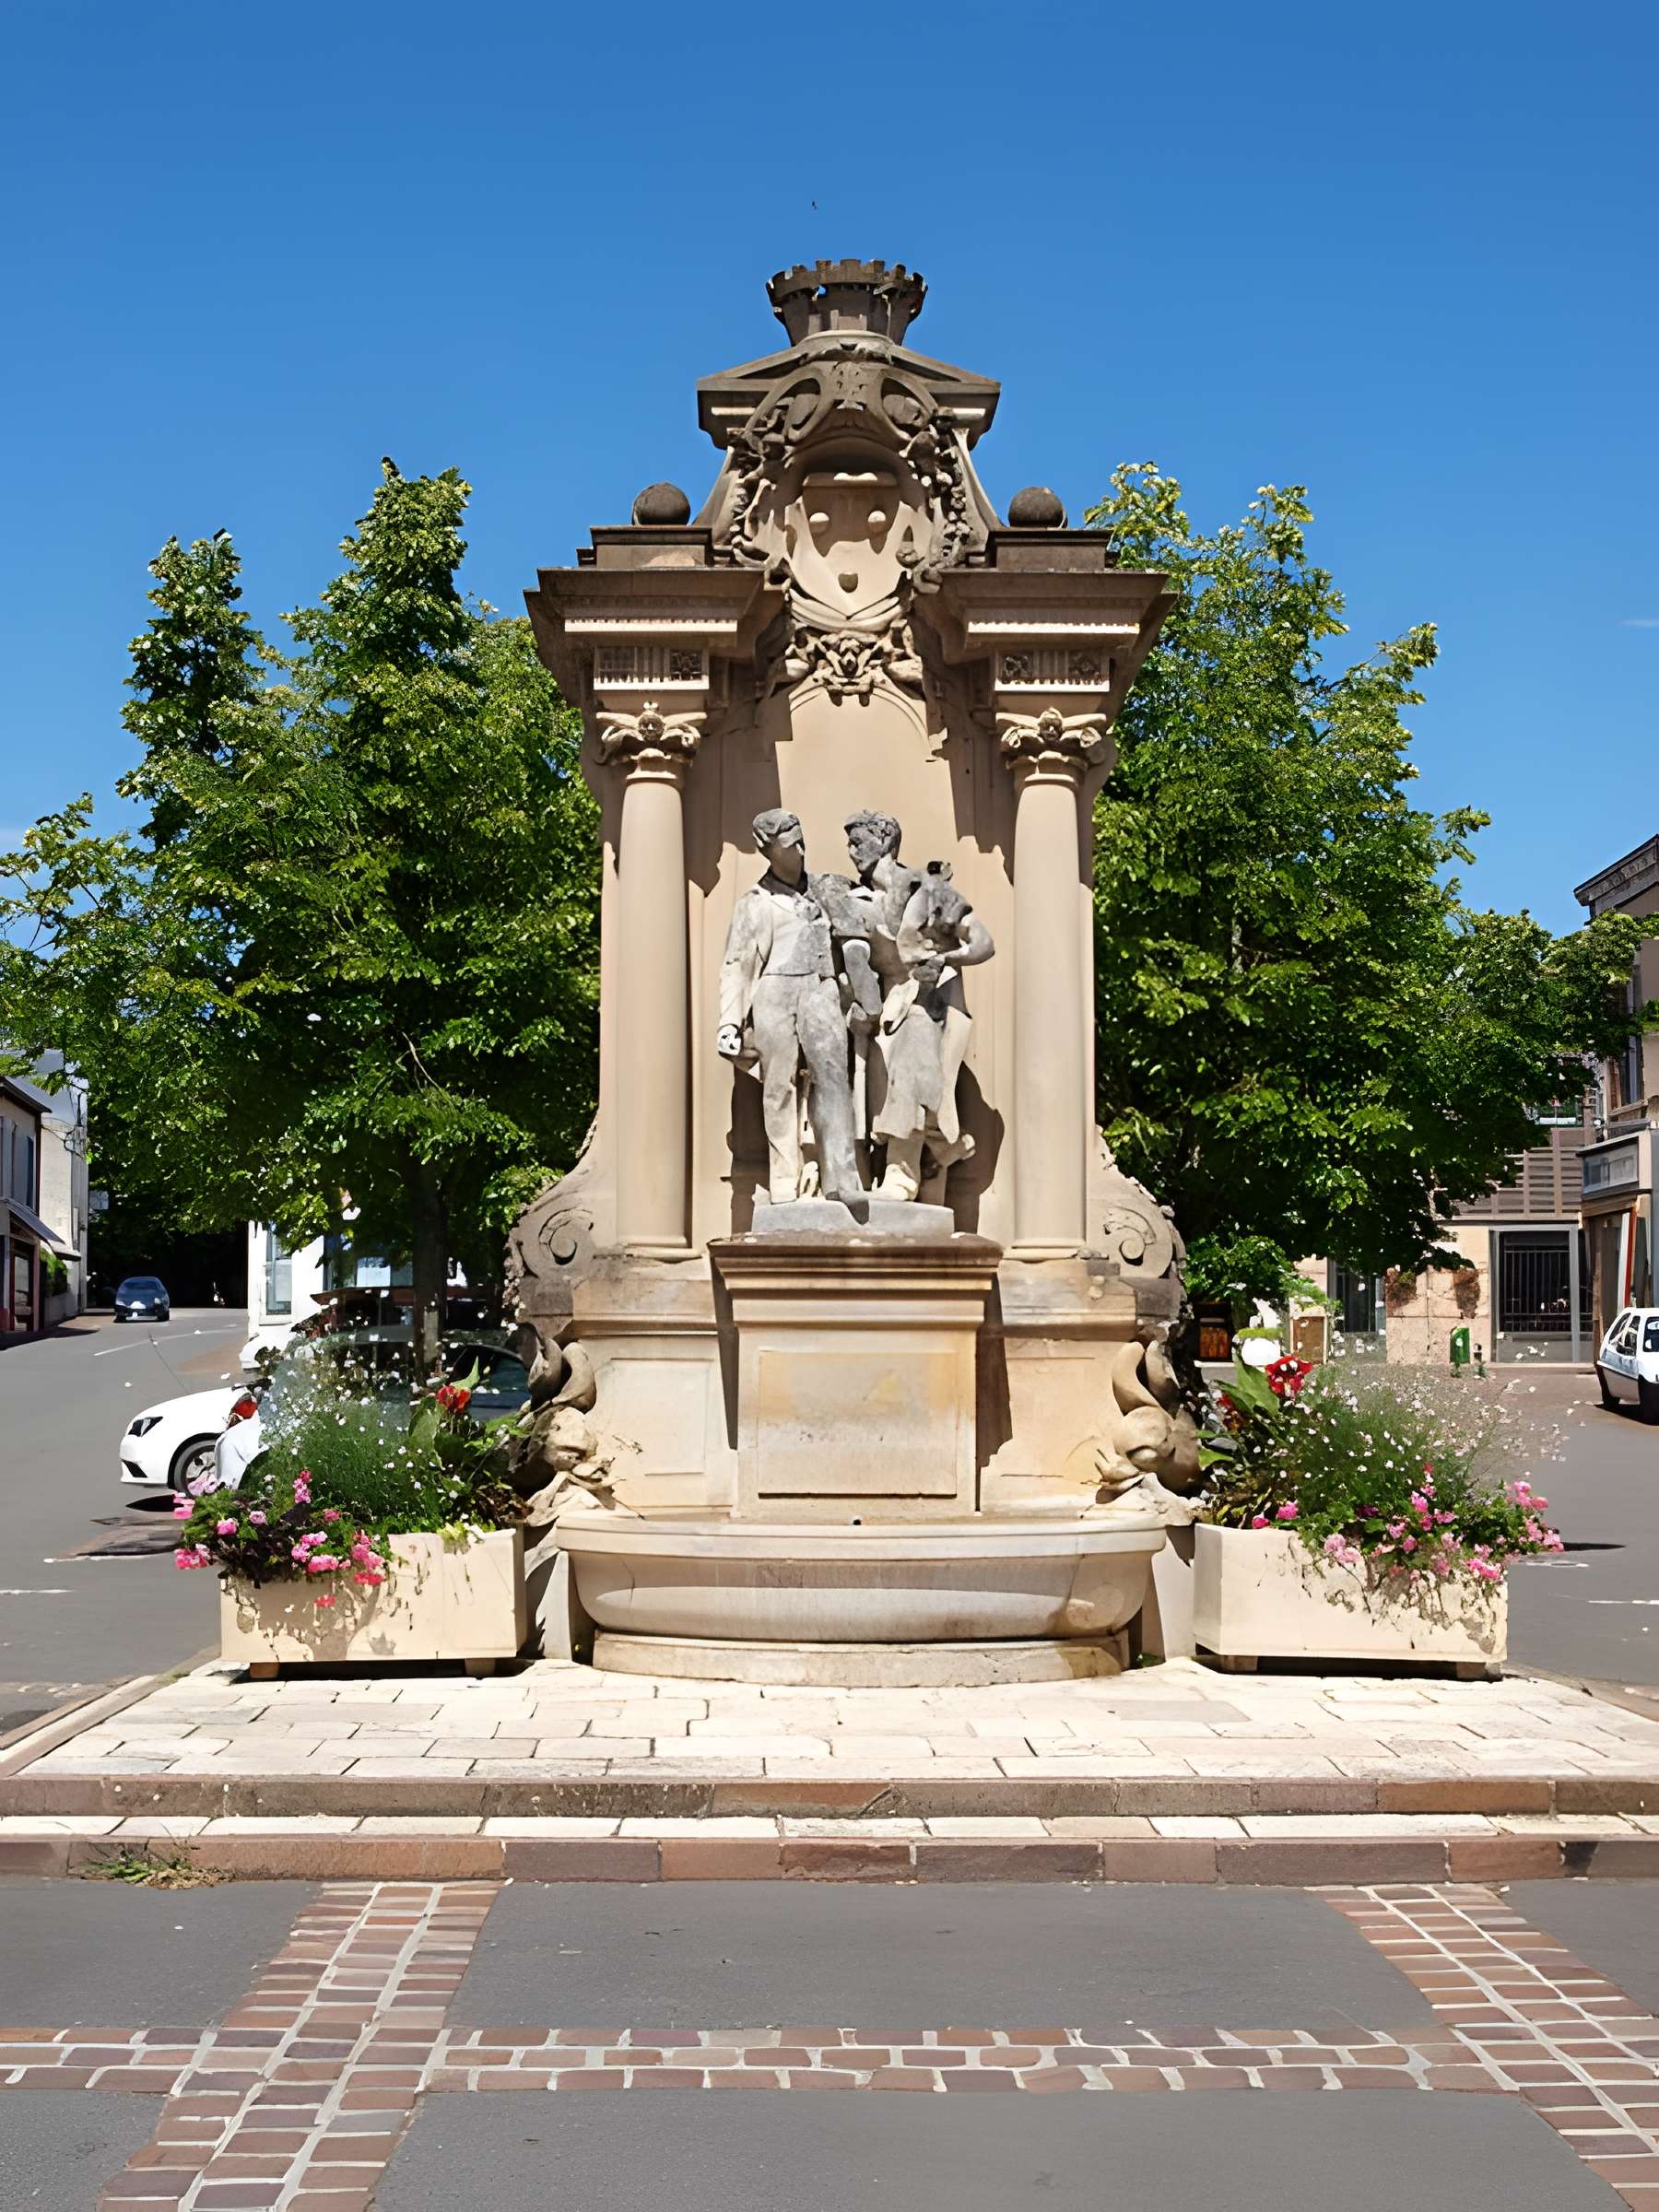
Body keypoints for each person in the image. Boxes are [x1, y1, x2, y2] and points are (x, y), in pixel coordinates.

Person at [839, 810, 994, 1203]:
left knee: (915, 1042)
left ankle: (902, 1174)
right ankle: (934, 1148)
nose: (851, 850)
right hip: (875, 1009)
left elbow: (983, 943)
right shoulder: (853, 898)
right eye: (850, 842)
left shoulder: (928, 890)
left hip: (923, 1002)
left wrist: (945, 958)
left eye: (859, 840)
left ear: (886, 841)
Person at [717, 809, 865, 1207]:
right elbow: (738, 963)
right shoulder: (754, 902)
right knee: (777, 1084)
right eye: (789, 842)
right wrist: (729, 1022)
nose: (800, 847)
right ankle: (784, 1174)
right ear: (767, 850)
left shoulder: (826, 890)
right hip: (774, 990)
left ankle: (842, 1175)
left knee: (834, 1076)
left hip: (821, 987)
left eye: (801, 838)